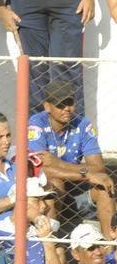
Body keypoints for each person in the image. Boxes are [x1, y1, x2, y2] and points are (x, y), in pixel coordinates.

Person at [27, 78, 113, 235]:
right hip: (52, 190)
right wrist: (86, 173)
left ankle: (111, 249)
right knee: (55, 182)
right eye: (60, 104)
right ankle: (52, 243)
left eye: (70, 103)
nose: (66, 108)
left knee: (104, 186)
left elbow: (99, 168)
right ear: (47, 106)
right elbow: (40, 170)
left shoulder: (83, 124)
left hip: (76, 188)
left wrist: (57, 163)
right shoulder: (36, 123)